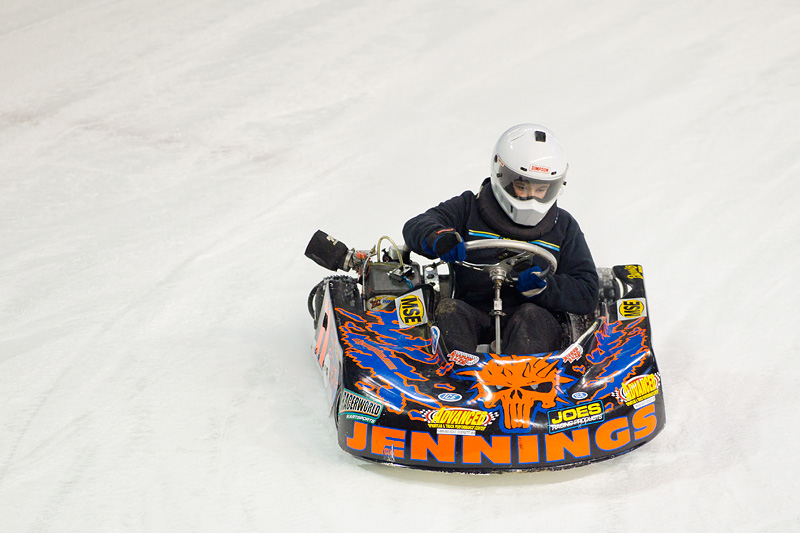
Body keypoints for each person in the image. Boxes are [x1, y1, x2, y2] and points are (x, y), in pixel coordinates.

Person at [402, 124, 599, 355]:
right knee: (450, 310)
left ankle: (528, 384)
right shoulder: (469, 208)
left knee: (531, 315)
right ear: (501, 174)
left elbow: (587, 292)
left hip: (533, 324)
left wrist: (544, 287)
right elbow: (416, 225)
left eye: (541, 189)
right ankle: (458, 383)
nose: (531, 197)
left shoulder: (563, 226)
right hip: (473, 312)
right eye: (522, 186)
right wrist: (440, 239)